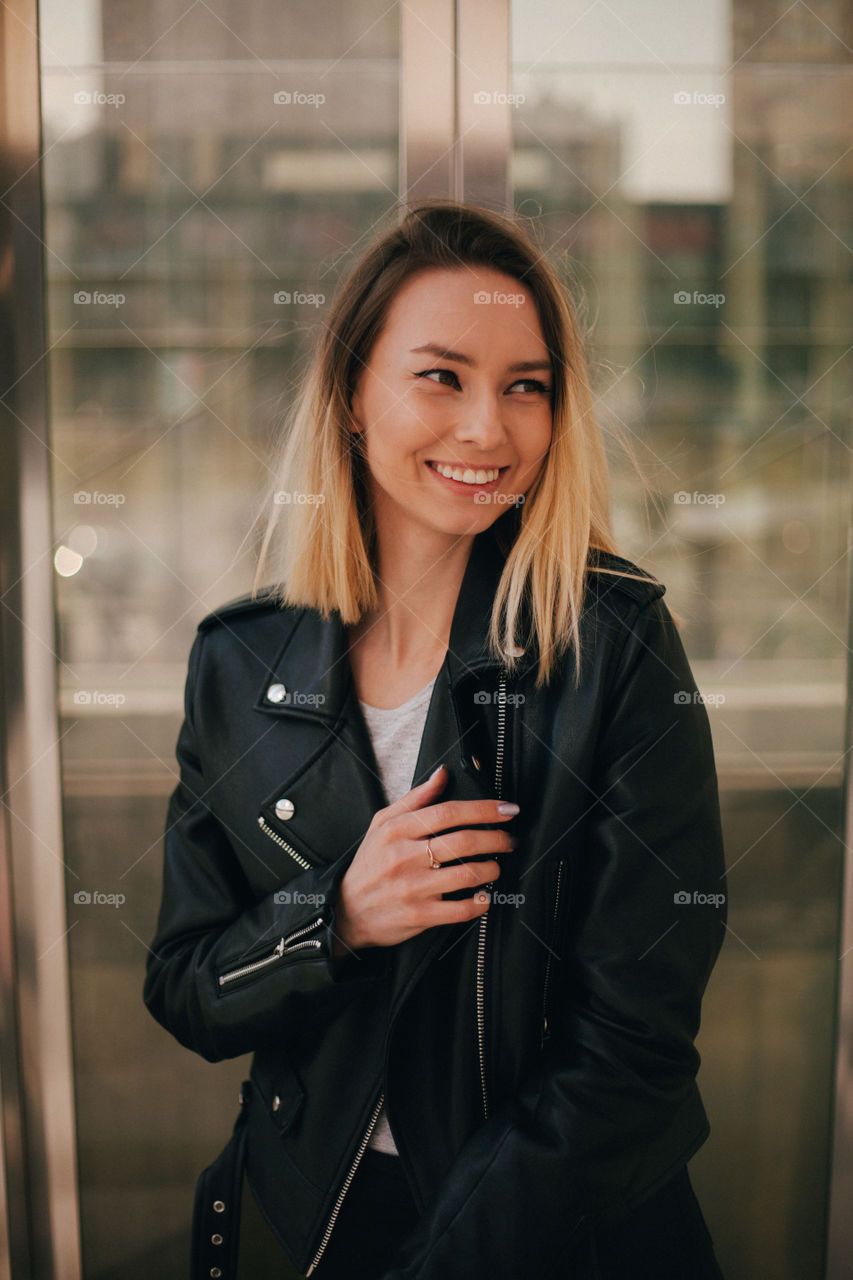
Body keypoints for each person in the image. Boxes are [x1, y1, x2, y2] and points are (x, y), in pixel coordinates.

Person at [143, 200, 727, 1280]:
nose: (486, 430)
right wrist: (339, 917)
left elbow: (634, 1048)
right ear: (353, 397)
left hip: (561, 1227)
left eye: (525, 386)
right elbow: (187, 984)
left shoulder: (612, 643)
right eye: (440, 376)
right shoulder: (238, 661)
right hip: (316, 1213)